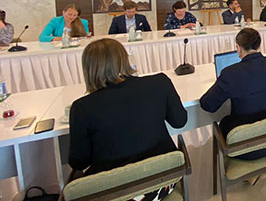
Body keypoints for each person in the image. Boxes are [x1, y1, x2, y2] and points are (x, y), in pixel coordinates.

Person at [69, 39, 187, 182]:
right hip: (163, 181)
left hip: (113, 189)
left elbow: (79, 162)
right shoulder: (159, 83)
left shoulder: (81, 108)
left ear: (88, 69)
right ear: (124, 59)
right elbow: (180, 121)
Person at [200, 28, 266, 159]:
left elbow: (208, 105)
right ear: (259, 45)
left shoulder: (230, 73)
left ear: (238, 48)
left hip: (244, 148)